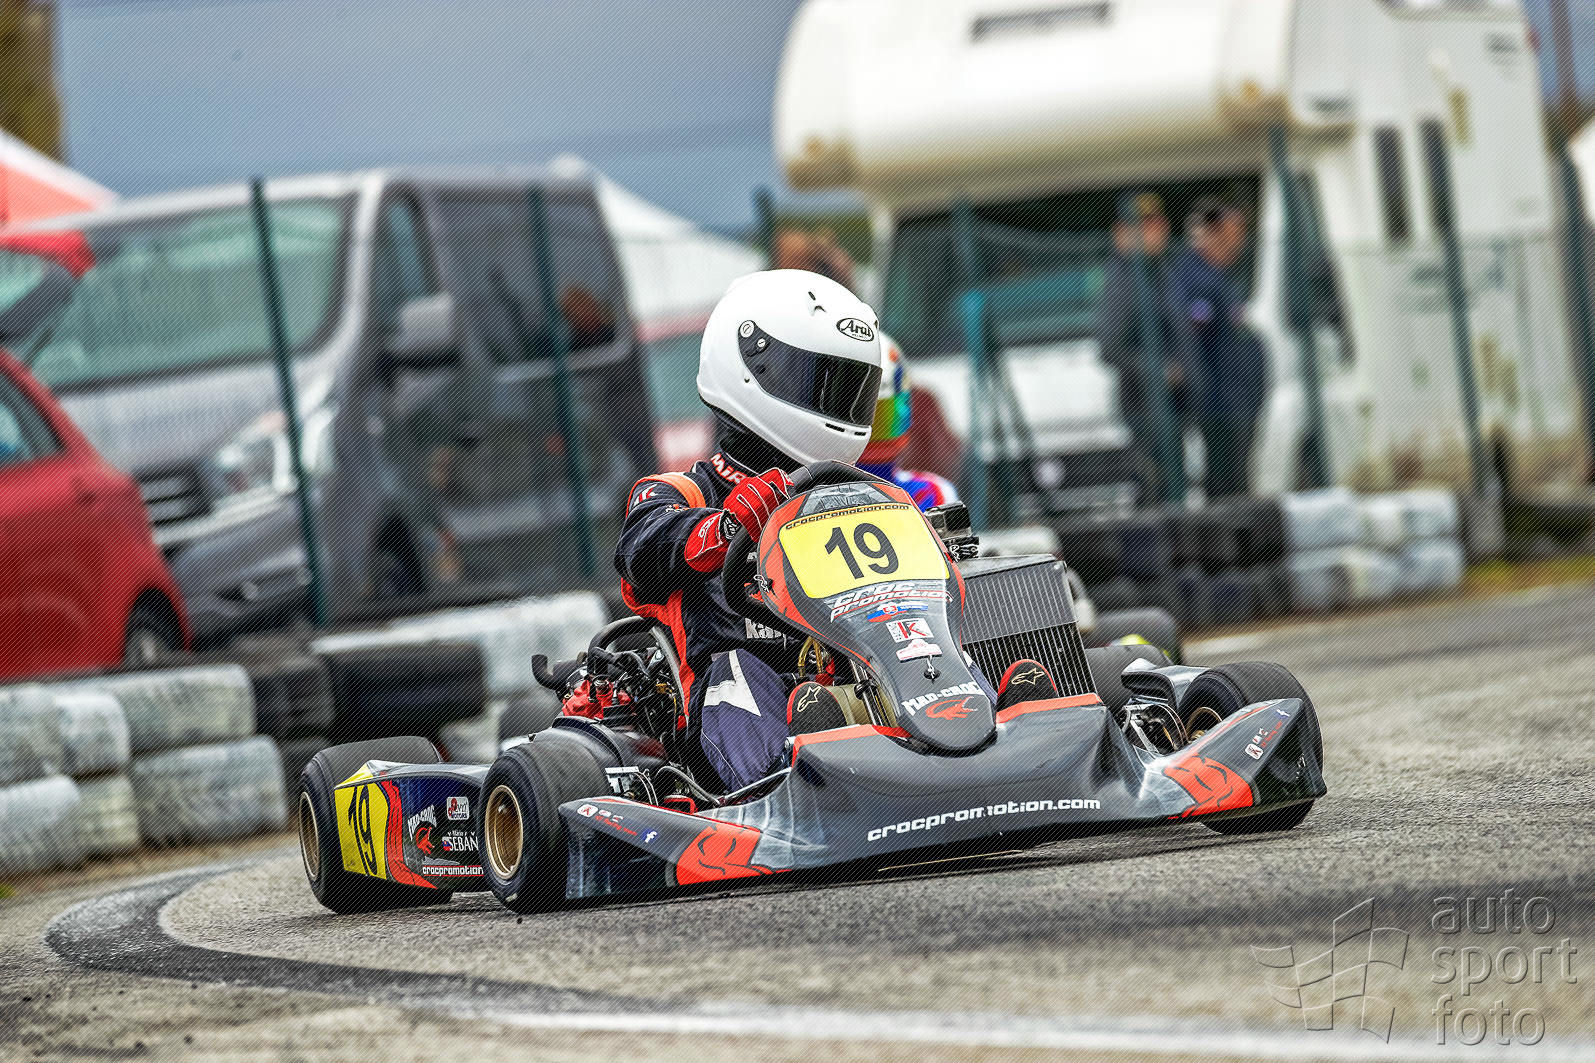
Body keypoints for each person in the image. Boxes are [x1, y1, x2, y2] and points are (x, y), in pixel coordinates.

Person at [615, 270, 1056, 793]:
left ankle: (997, 734)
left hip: (860, 674)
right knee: (737, 671)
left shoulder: (865, 494)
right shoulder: (683, 493)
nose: (839, 405)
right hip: (747, 702)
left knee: (927, 643)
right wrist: (729, 526)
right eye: (821, 383)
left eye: (850, 389)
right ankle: (789, 779)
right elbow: (642, 551)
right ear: (750, 371)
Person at [1094, 192, 1196, 500]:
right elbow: (1109, 347)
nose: (1156, 232)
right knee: (1155, 491)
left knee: (1176, 488)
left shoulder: (1158, 271)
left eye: (1157, 224)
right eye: (1144, 226)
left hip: (1173, 405)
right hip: (1145, 406)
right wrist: (1159, 368)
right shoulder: (1124, 279)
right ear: (1122, 234)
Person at [1172, 197, 1267, 499]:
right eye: (1232, 235)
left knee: (1239, 480)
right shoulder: (1195, 278)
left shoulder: (1220, 275)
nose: (1238, 244)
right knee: (1223, 483)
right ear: (1214, 234)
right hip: (1216, 402)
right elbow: (1192, 338)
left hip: (1235, 398)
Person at [857, 333, 959, 511]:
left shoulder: (931, 493)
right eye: (862, 419)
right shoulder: (808, 496)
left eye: (881, 416)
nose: (872, 432)